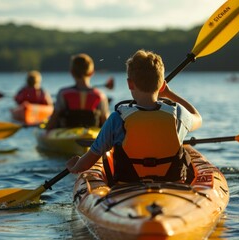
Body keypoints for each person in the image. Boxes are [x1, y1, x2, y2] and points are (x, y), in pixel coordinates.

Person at [66, 49, 202, 183]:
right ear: (161, 86)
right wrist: (169, 94)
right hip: (172, 185)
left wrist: (75, 166)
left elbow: (87, 162)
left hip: (128, 186)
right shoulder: (178, 113)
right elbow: (197, 118)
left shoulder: (117, 118)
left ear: (130, 84)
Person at [46, 53, 110, 130]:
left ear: (72, 72)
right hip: (91, 135)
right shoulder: (100, 95)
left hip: (66, 134)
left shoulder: (63, 93)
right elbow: (105, 122)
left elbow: (54, 118)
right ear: (92, 73)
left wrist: (45, 130)